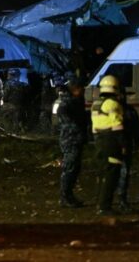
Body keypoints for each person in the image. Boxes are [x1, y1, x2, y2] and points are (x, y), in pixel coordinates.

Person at [90, 74, 125, 216]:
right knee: (111, 174)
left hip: (99, 140)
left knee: (103, 171)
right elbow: (118, 126)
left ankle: (100, 203)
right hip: (111, 140)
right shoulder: (113, 104)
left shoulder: (96, 103)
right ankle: (105, 206)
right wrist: (124, 145)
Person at [56, 76, 88, 208]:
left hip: (76, 138)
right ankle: (65, 197)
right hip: (70, 139)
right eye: (81, 88)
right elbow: (65, 120)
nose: (84, 91)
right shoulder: (66, 103)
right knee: (69, 168)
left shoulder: (77, 100)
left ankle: (68, 195)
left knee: (74, 168)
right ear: (75, 89)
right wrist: (78, 128)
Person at [116, 87, 139, 212]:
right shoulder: (113, 109)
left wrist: (137, 143)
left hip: (125, 146)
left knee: (124, 173)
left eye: (123, 95)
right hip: (114, 146)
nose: (122, 97)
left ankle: (122, 199)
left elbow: (137, 128)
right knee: (114, 174)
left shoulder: (129, 110)